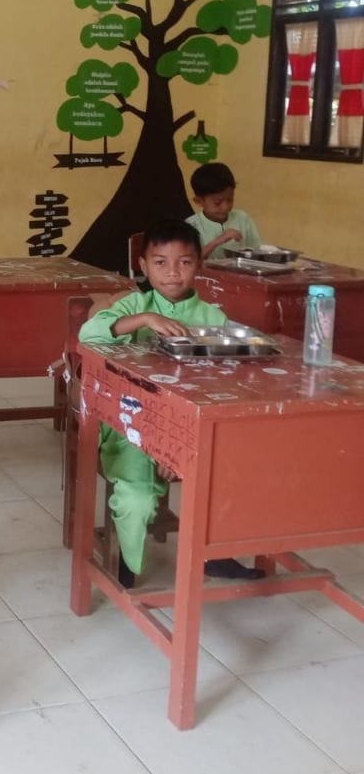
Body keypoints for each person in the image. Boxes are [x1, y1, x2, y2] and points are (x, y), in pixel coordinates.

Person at [78, 219, 265, 586]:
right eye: (161, 263)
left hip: (193, 428)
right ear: (143, 266)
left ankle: (215, 554)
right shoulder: (134, 304)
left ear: (199, 265)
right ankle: (128, 563)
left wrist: (176, 443)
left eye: (185, 262)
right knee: (136, 497)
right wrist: (145, 319)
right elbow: (89, 334)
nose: (173, 273)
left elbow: (228, 377)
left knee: (233, 472)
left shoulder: (212, 317)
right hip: (131, 426)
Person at [185, 161, 261, 260]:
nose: (225, 207)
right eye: (217, 203)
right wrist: (217, 241)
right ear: (199, 201)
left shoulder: (243, 218)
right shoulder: (191, 225)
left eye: (230, 200)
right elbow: (190, 260)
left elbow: (257, 251)